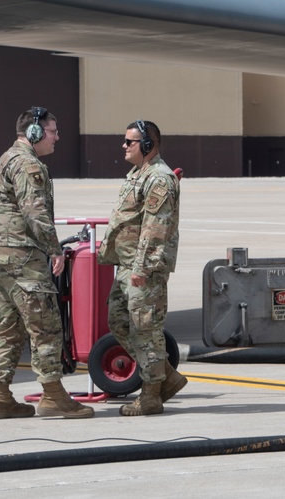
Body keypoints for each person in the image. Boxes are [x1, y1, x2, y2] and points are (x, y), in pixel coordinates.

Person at [0, 106, 93, 419]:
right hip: (21, 255)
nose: (57, 138)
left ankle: (0, 396)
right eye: (53, 131)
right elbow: (35, 213)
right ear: (34, 132)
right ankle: (53, 395)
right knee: (45, 325)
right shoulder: (29, 165)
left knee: (9, 325)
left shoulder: (4, 159)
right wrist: (54, 249)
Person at [99, 119, 183, 416]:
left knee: (145, 328)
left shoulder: (158, 178)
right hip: (127, 264)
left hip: (143, 268)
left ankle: (151, 395)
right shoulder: (138, 174)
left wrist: (143, 268)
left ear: (147, 145)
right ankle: (166, 377)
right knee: (120, 321)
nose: (123, 146)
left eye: (129, 142)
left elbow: (154, 229)